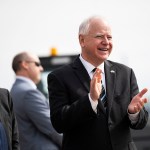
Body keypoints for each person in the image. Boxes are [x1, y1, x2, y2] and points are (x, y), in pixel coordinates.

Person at [47, 15, 149, 150]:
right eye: (100, 36)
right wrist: (91, 100)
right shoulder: (59, 77)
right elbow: (59, 122)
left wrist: (134, 113)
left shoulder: (125, 73)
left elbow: (140, 123)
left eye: (109, 37)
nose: (106, 42)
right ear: (82, 40)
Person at [10, 51, 62, 150]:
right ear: (25, 64)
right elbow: (53, 128)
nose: (41, 68)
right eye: (37, 64)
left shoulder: (15, 90)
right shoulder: (28, 93)